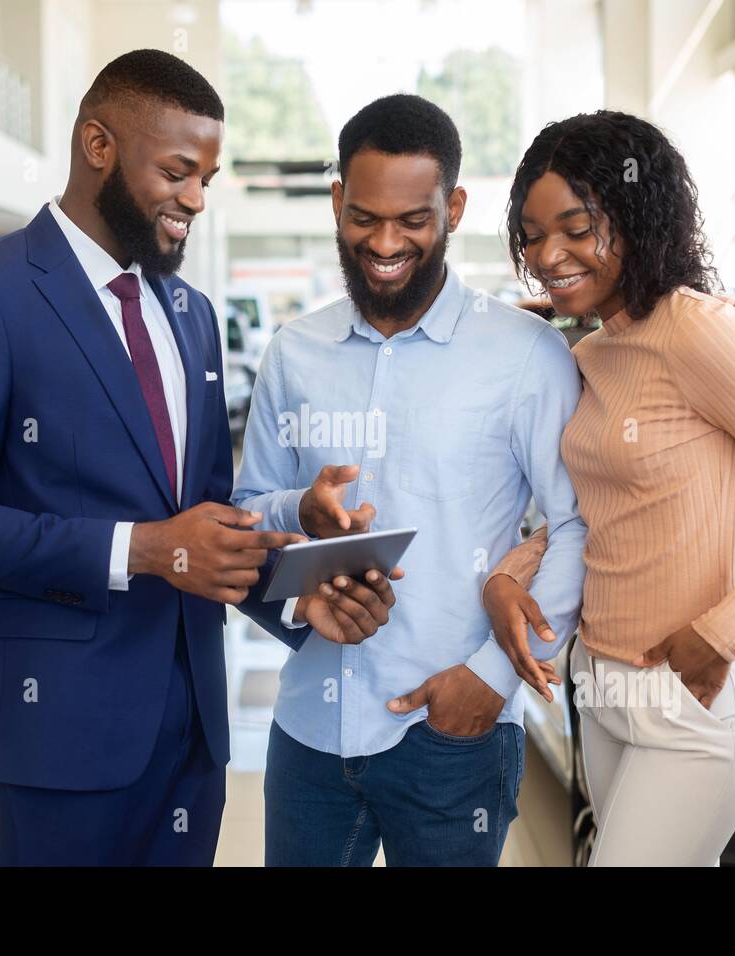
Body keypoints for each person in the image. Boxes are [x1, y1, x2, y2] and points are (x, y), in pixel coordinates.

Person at [0, 50, 397, 867]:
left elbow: (206, 523)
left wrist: (302, 594)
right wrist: (144, 549)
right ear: (98, 145)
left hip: (193, 727)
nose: (196, 199)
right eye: (177, 171)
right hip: (61, 732)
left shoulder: (190, 313)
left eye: (208, 177)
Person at [483, 110, 735, 865]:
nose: (547, 254)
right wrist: (506, 577)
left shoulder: (698, 332)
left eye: (575, 226)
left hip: (694, 700)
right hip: (604, 686)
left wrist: (725, 631)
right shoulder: (596, 351)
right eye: (531, 233)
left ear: (634, 214)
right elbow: (596, 514)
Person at [232, 94, 586, 866]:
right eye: (363, 218)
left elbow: (576, 528)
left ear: (453, 207)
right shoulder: (295, 351)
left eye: (412, 221)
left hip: (452, 733)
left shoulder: (527, 354)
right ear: (337, 203)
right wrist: (300, 516)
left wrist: (492, 682)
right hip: (308, 734)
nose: (385, 242)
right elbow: (246, 512)